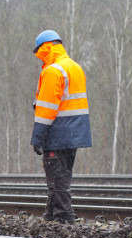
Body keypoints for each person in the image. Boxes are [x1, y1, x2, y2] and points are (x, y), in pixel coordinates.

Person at [31, 30, 92, 224]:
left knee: (58, 182)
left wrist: (37, 138)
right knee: (60, 178)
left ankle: (65, 219)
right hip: (74, 134)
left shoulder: (53, 70)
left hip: (56, 134)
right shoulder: (75, 67)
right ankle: (50, 219)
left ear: (45, 47)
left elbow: (47, 109)